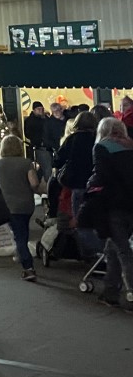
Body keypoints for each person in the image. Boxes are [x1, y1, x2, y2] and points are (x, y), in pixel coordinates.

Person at [92, 117, 133, 309]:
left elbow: (102, 176)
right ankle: (110, 292)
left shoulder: (102, 147)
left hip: (114, 204)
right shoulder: (130, 145)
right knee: (113, 247)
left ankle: (131, 293)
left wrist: (91, 185)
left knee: (123, 250)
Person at [0, 134, 39, 282]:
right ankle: (21, 254)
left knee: (19, 235)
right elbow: (34, 184)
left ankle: (28, 267)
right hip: (26, 204)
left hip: (7, 205)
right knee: (22, 232)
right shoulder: (26, 163)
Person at [56, 110, 100, 257]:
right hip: (95, 184)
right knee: (95, 218)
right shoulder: (97, 138)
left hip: (77, 184)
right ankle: (100, 251)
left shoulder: (72, 139)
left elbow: (58, 159)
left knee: (79, 220)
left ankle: (90, 251)